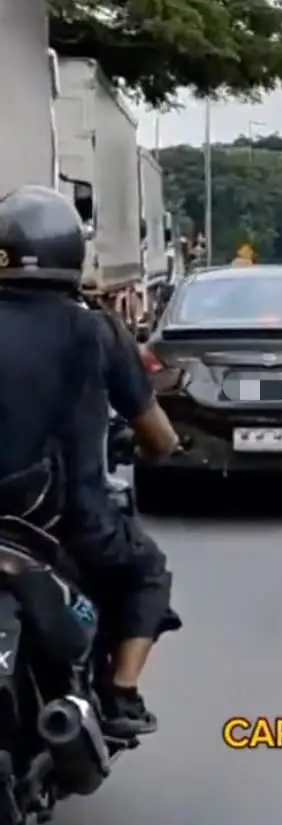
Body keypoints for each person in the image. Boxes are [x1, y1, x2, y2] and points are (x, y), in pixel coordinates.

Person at [0, 185, 180, 737]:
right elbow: (161, 437)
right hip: (68, 527)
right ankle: (121, 693)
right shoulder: (97, 330)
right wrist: (151, 448)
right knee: (147, 571)